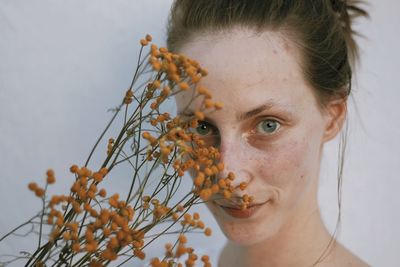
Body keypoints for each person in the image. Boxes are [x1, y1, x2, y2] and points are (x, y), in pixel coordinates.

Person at [166, 1, 369, 266]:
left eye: (268, 125)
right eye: (201, 127)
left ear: (332, 117)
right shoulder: (227, 259)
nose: (228, 175)